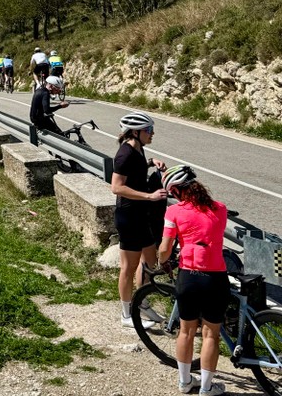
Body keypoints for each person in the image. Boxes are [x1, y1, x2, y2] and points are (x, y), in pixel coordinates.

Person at [158, 165, 229, 396]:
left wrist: (161, 262)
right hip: (215, 277)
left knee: (186, 332)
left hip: (188, 276)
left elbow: (166, 248)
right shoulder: (220, 209)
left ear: (176, 190)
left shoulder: (174, 212)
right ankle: (207, 388)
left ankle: (184, 382)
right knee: (211, 334)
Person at [110, 111, 168, 328]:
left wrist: (151, 162)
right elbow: (116, 187)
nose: (152, 134)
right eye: (149, 130)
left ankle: (140, 302)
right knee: (128, 266)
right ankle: (126, 315)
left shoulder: (138, 149)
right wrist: (149, 196)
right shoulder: (124, 154)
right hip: (128, 216)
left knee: (150, 258)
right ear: (136, 132)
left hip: (141, 214)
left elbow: (136, 172)